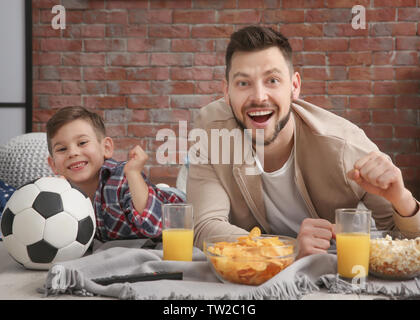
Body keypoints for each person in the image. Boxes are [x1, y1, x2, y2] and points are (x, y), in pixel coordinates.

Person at [187, 26, 420, 259]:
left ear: (294, 86)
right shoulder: (210, 131)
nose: (258, 96)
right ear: (226, 92)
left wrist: (403, 200)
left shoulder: (345, 148)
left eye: (272, 80)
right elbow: (205, 227)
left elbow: (405, 242)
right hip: (252, 276)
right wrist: (286, 250)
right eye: (243, 83)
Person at [46, 106, 184, 242]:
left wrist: (134, 174)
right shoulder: (61, 196)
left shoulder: (121, 178)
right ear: (53, 165)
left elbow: (155, 226)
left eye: (82, 143)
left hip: (175, 208)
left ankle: (157, 190)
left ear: (106, 148)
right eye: (62, 149)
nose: (73, 153)